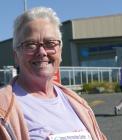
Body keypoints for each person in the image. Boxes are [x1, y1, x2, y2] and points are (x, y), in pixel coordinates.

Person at [0, 7, 107, 140]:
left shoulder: (78, 104)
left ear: (60, 52)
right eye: (31, 44)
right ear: (16, 56)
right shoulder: (3, 110)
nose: (42, 52)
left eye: (50, 43)